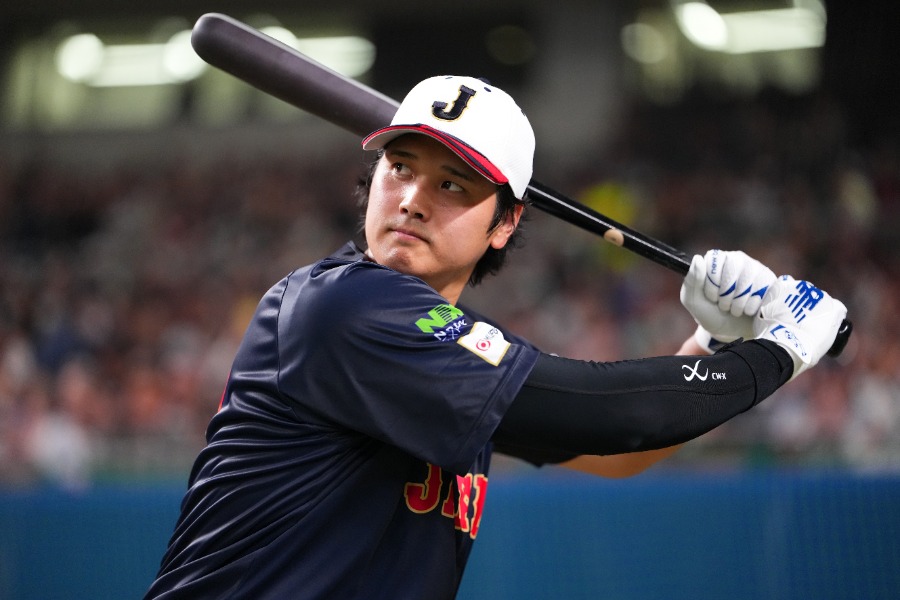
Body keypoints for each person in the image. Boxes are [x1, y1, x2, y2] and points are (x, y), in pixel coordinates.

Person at [143, 75, 847, 599]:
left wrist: (710, 346)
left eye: (453, 185)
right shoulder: (345, 311)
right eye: (401, 167)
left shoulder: (433, 348)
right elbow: (615, 414)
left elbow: (610, 455)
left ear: (505, 223)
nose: (413, 198)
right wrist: (777, 351)